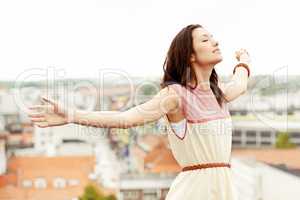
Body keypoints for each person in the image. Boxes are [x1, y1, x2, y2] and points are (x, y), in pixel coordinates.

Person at [27, 24, 250, 200]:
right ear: (190, 55)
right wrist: (71, 115)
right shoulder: (175, 95)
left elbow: (240, 84)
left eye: (212, 37)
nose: (215, 41)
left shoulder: (217, 94)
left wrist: (244, 62)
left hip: (223, 187)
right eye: (205, 39)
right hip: (196, 190)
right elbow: (124, 118)